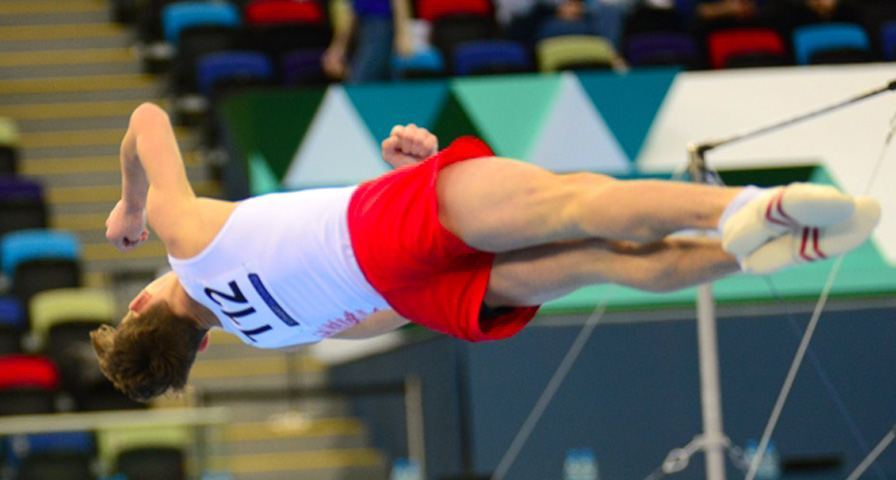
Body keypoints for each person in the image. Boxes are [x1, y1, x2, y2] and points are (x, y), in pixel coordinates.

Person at [93, 103, 880, 402]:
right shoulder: (185, 239)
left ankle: (763, 250)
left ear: (196, 346)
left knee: (602, 258)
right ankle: (746, 207)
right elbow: (148, 116)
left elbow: (366, 319)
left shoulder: (265, 334)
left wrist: (411, 217)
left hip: (415, 295)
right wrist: (134, 204)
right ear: (140, 303)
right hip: (380, 230)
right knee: (578, 200)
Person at [322, 0, 414, 82]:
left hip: (382, 23)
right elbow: (351, 10)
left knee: (360, 81)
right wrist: (339, 47)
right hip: (363, 27)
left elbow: (399, 2)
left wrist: (403, 34)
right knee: (384, 79)